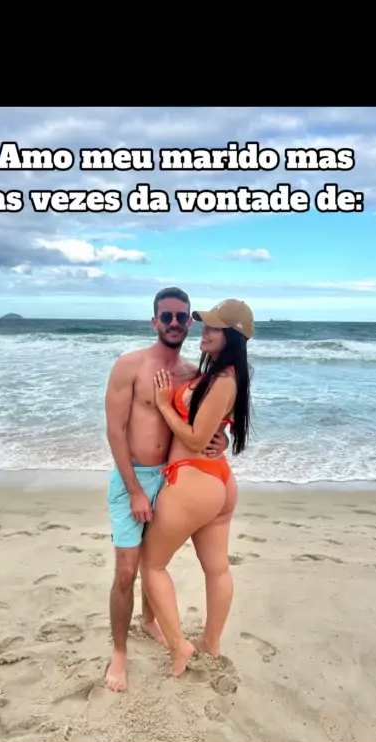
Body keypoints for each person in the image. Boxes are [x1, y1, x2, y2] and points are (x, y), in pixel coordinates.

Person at [104, 287, 230, 691]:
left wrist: (222, 441)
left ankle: (149, 621)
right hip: (135, 478)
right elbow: (115, 432)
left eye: (181, 317)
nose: (174, 323)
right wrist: (135, 491)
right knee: (127, 570)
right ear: (154, 321)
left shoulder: (193, 373)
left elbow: (205, 423)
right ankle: (119, 653)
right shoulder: (130, 366)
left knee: (154, 560)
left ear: (189, 322)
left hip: (174, 477)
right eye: (167, 316)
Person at [139, 298, 253, 679]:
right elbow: (214, 427)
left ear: (232, 336)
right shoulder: (223, 375)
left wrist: (163, 404)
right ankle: (210, 642)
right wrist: (222, 436)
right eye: (205, 324)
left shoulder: (223, 380)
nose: (205, 330)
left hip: (193, 479)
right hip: (217, 480)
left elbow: (194, 437)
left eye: (215, 327)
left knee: (151, 564)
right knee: (217, 569)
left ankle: (179, 647)